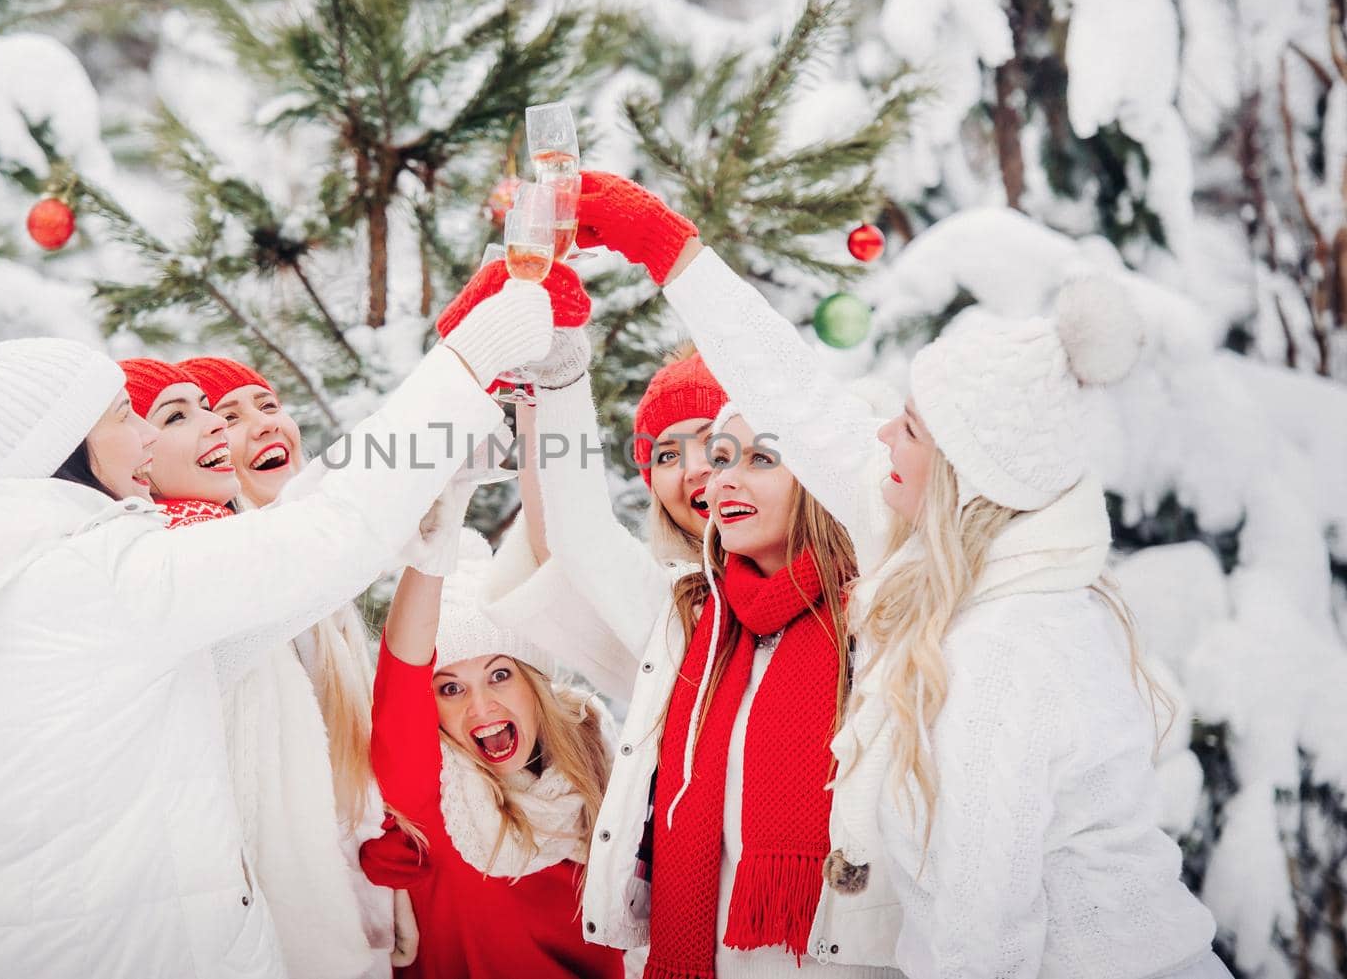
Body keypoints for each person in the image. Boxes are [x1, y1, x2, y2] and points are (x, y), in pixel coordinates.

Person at [571, 170, 1229, 978]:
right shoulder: (942, 566)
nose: (880, 431)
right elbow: (806, 405)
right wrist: (671, 252)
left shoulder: (1004, 648)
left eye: (908, 425)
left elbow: (979, 941)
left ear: (958, 471)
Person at [0, 274, 551, 979]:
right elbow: (329, 531)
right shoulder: (108, 571)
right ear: (68, 445)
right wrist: (468, 359)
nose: (141, 440)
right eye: (124, 418)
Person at [443, 261, 865, 978]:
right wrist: (553, 380)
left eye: (734, 449)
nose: (704, 471)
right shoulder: (684, 618)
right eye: (666, 455)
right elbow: (572, 535)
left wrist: (678, 254)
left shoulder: (873, 602)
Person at [119, 357, 391, 979]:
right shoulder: (213, 575)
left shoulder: (319, 597)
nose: (252, 427)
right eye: (224, 416)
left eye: (267, 406)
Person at [360, 511, 622, 979]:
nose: (480, 707)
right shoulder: (435, 798)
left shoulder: (602, 762)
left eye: (500, 675)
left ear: (535, 683)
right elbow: (402, 670)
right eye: (451, 688)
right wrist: (437, 535)